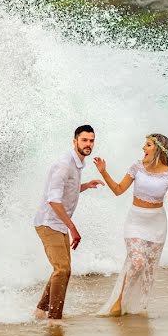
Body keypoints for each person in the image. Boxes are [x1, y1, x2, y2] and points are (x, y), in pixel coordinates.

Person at [93, 133, 168, 316]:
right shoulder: (136, 167)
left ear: (158, 149)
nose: (143, 148)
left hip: (157, 224)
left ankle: (139, 308)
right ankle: (119, 303)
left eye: (148, 145)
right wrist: (103, 171)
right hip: (135, 222)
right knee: (137, 262)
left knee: (148, 272)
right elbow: (118, 190)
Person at [32, 125, 103, 324]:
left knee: (63, 270)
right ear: (75, 142)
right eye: (84, 140)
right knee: (62, 269)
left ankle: (40, 311)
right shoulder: (64, 165)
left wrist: (86, 186)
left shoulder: (78, 164)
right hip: (49, 223)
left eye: (91, 141)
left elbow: (67, 190)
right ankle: (54, 319)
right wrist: (72, 227)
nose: (88, 144)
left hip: (59, 223)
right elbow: (53, 200)